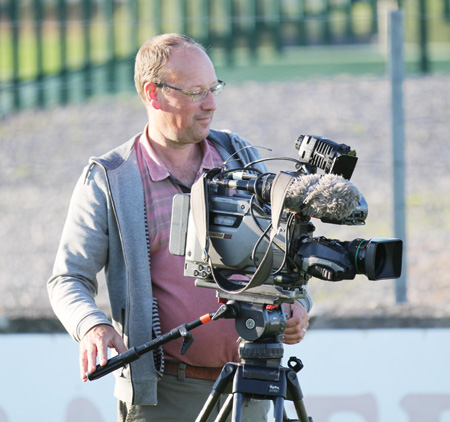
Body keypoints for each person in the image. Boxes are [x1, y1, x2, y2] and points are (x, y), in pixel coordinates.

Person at [48, 33, 311, 422]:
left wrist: (297, 305)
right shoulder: (110, 178)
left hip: (253, 384)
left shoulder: (242, 157)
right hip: (162, 397)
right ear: (154, 94)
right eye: (196, 92)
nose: (211, 104)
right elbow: (67, 278)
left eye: (214, 88)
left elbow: (282, 256)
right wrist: (93, 326)